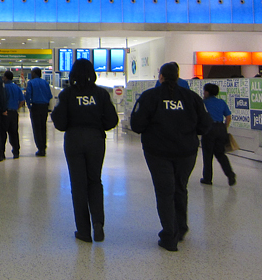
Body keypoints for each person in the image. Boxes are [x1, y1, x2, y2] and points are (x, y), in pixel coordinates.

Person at [130, 62, 212, 252]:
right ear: (178, 76)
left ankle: (169, 235)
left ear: (161, 77)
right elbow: (205, 124)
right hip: (186, 152)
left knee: (165, 191)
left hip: (158, 152)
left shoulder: (150, 96)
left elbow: (137, 124)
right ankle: (181, 228)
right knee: (180, 188)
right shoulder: (192, 98)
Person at [51, 59, 119, 243]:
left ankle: (83, 231)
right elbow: (112, 120)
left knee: (78, 185)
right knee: (94, 181)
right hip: (96, 140)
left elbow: (60, 123)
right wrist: (98, 126)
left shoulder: (67, 94)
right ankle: (98, 222)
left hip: (74, 140)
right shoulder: (101, 94)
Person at [200, 83, 236, 186]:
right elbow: (228, 117)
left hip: (208, 129)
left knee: (207, 155)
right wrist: (224, 128)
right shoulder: (221, 102)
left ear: (206, 92)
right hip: (220, 128)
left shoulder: (203, 103)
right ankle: (230, 174)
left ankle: (207, 178)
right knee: (220, 154)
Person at [25, 67, 53, 156]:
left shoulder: (31, 83)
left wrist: (29, 105)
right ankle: (44, 147)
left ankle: (40, 148)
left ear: (34, 74)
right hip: (44, 107)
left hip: (35, 107)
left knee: (36, 128)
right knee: (43, 127)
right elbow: (50, 95)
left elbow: (28, 94)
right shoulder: (45, 83)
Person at [1, 70, 24, 159]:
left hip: (5, 113)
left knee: (2, 133)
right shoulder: (17, 88)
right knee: (14, 133)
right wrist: (17, 108)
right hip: (14, 113)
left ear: (5, 78)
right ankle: (16, 152)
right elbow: (22, 100)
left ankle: (1, 153)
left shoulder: (3, 88)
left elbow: (1, 100)